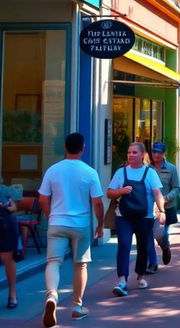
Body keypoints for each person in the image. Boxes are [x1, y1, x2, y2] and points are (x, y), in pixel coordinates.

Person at [38, 132, 104, 325]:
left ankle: (51, 295)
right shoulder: (90, 172)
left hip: (57, 222)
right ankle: (76, 307)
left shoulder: (53, 170)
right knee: (80, 264)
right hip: (81, 224)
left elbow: (42, 199)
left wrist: (50, 215)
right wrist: (100, 224)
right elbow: (98, 203)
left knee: (53, 262)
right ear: (82, 148)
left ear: (65, 148)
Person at [107, 142, 166, 297]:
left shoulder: (150, 173)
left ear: (142, 155)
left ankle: (140, 275)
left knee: (143, 247)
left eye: (134, 152)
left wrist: (162, 211)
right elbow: (110, 193)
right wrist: (121, 191)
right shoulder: (121, 172)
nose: (130, 155)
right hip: (124, 216)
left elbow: (157, 193)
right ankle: (122, 280)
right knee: (124, 246)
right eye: (129, 152)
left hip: (144, 217)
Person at [146, 142, 180, 274]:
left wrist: (166, 198)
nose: (156, 155)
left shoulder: (171, 168)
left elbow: (177, 188)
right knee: (149, 235)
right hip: (150, 208)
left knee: (162, 234)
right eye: (154, 152)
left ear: (163, 153)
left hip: (166, 207)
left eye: (159, 152)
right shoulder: (147, 169)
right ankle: (152, 263)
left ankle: (165, 247)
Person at [0, 184, 19, 310]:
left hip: (4, 227)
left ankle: (12, 294)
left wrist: (5, 206)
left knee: (8, 260)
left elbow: (14, 208)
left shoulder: (2, 190)